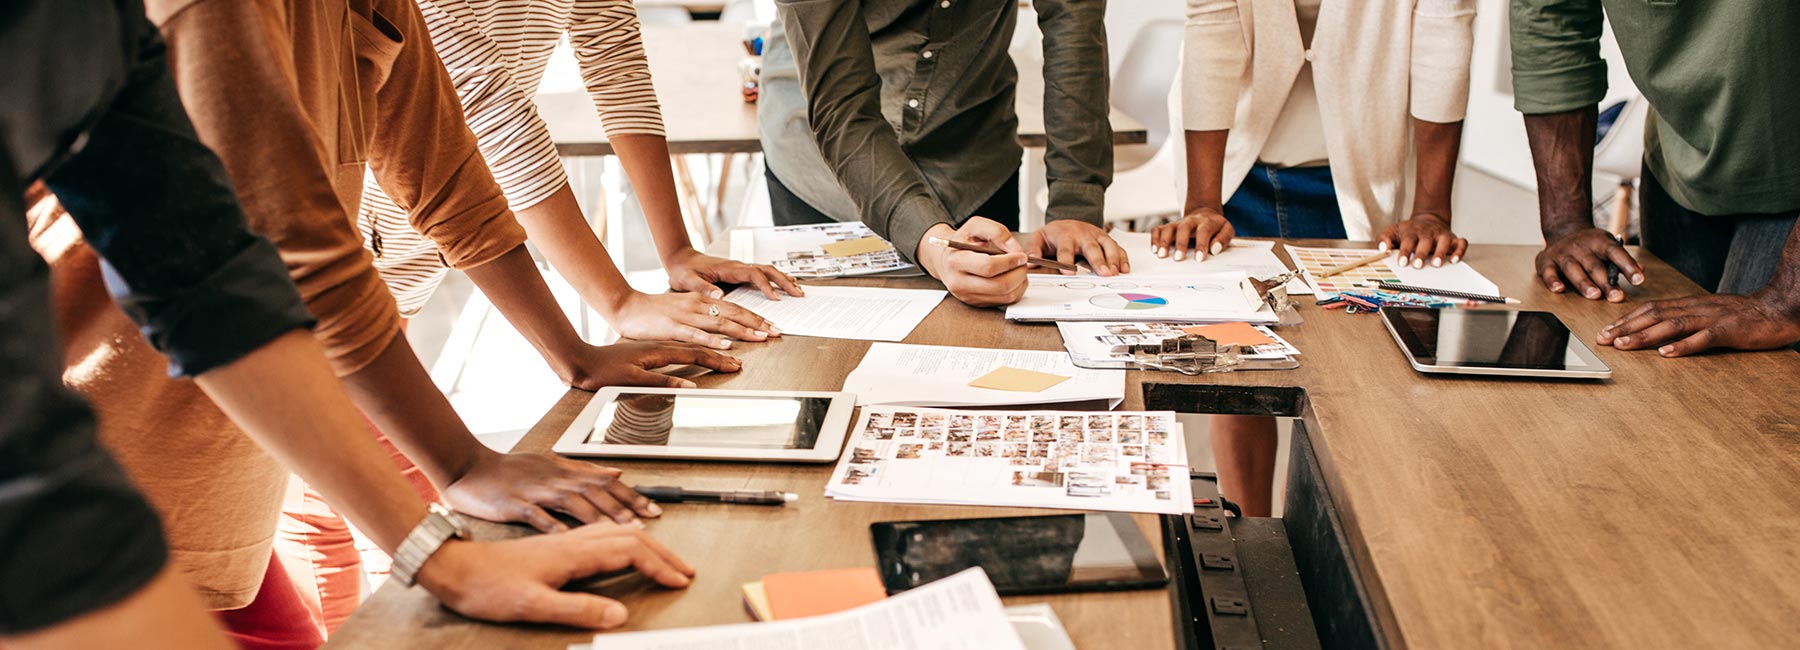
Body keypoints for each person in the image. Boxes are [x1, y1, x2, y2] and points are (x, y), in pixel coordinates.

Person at [3, 2, 690, 647]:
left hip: (220, 418)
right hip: (108, 439)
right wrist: (445, 514)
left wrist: (559, 364)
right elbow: (277, 245)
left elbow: (433, 170)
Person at [1152, 0, 1477, 516]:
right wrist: (1202, 202)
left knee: (1355, 377)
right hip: (1235, 165)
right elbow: (1213, 31)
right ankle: (1249, 534)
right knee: (1240, 367)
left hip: (1362, 171)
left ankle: (1332, 548)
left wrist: (1432, 209)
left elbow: (1445, 40)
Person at [363, 0, 803, 352]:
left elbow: (616, 61)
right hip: (356, 221)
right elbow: (491, 111)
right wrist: (619, 302)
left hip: (420, 225)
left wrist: (677, 251)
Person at [759, 0, 1127, 307]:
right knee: (834, 367)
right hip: (826, 174)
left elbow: (1074, 32)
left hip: (972, 157)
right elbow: (843, 110)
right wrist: (933, 244)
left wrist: (1074, 204)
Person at [1511, 0, 1800, 356]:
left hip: (1789, 181)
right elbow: (1552, 21)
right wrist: (1566, 224)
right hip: (1677, 164)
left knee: (1755, 395)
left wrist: (1787, 297)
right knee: (1658, 375)